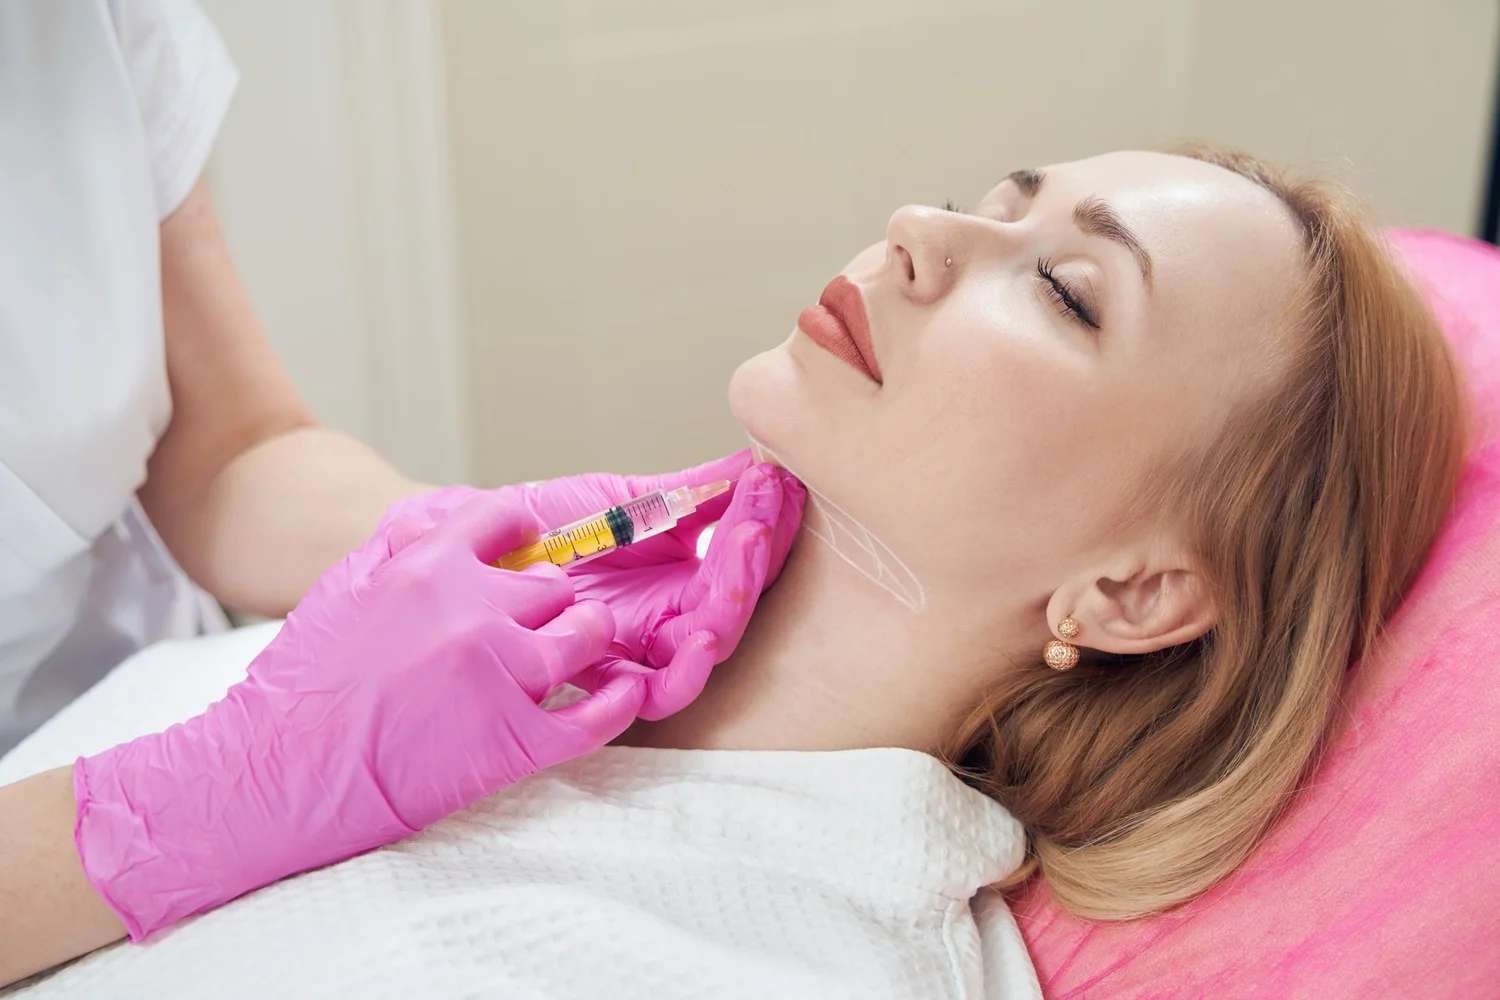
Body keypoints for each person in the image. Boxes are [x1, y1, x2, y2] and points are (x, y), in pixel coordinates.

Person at [0, 142, 1469, 994]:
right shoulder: (432, 671)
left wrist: (226, 797)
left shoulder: (806, 958)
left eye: (1068, 291)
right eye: (998, 194)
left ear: (1136, 592)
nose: (924, 230)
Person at [0, 0, 802, 986]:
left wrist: (452, 546)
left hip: (125, 679)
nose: (915, 229)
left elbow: (227, 449)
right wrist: (198, 798)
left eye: (1057, 288)